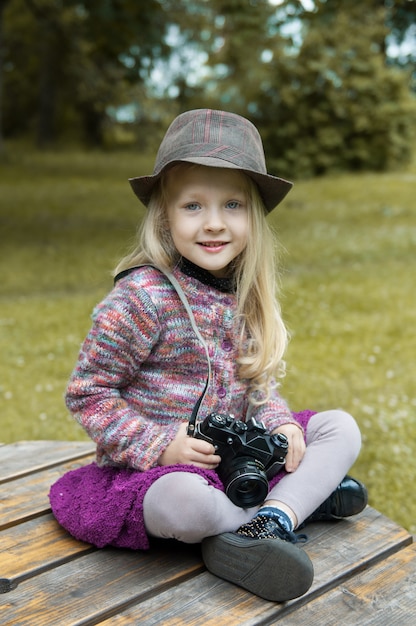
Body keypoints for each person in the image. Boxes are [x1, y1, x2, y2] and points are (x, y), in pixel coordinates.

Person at [49, 108, 367, 603]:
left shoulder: (244, 295)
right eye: (193, 206)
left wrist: (280, 424)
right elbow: (88, 393)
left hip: (235, 462)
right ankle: (292, 507)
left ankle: (265, 521)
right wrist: (158, 446)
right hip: (157, 470)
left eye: (233, 205)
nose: (215, 224)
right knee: (187, 503)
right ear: (164, 215)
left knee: (340, 428)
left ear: (253, 217)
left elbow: (258, 388)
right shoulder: (142, 298)